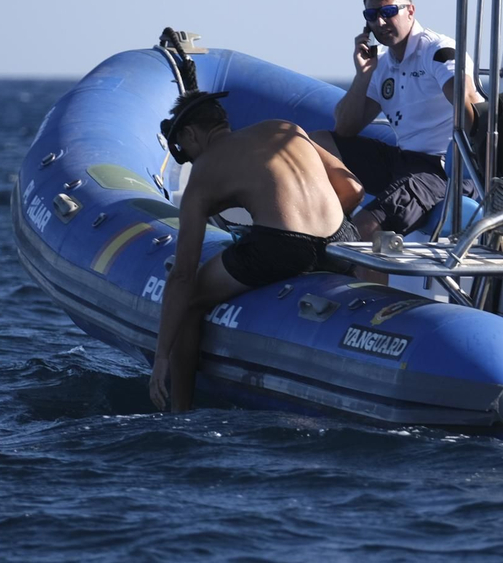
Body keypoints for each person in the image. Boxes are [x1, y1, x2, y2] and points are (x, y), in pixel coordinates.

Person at [148, 90, 363, 412]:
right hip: (344, 241)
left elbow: (183, 272)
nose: (191, 160)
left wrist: (161, 356)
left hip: (282, 247)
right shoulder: (285, 128)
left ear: (191, 134)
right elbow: (354, 189)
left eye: (186, 151)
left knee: (190, 302)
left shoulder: (205, 169)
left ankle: (180, 410)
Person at [311, 0, 477, 242]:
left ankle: (346, 266)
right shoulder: (383, 66)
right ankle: (330, 216)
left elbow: (468, 102)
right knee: (318, 142)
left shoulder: (437, 51)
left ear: (410, 11)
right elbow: (345, 128)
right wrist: (363, 75)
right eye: (372, 15)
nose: (380, 22)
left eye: (388, 12)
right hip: (402, 160)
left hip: (438, 171)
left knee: (366, 226)